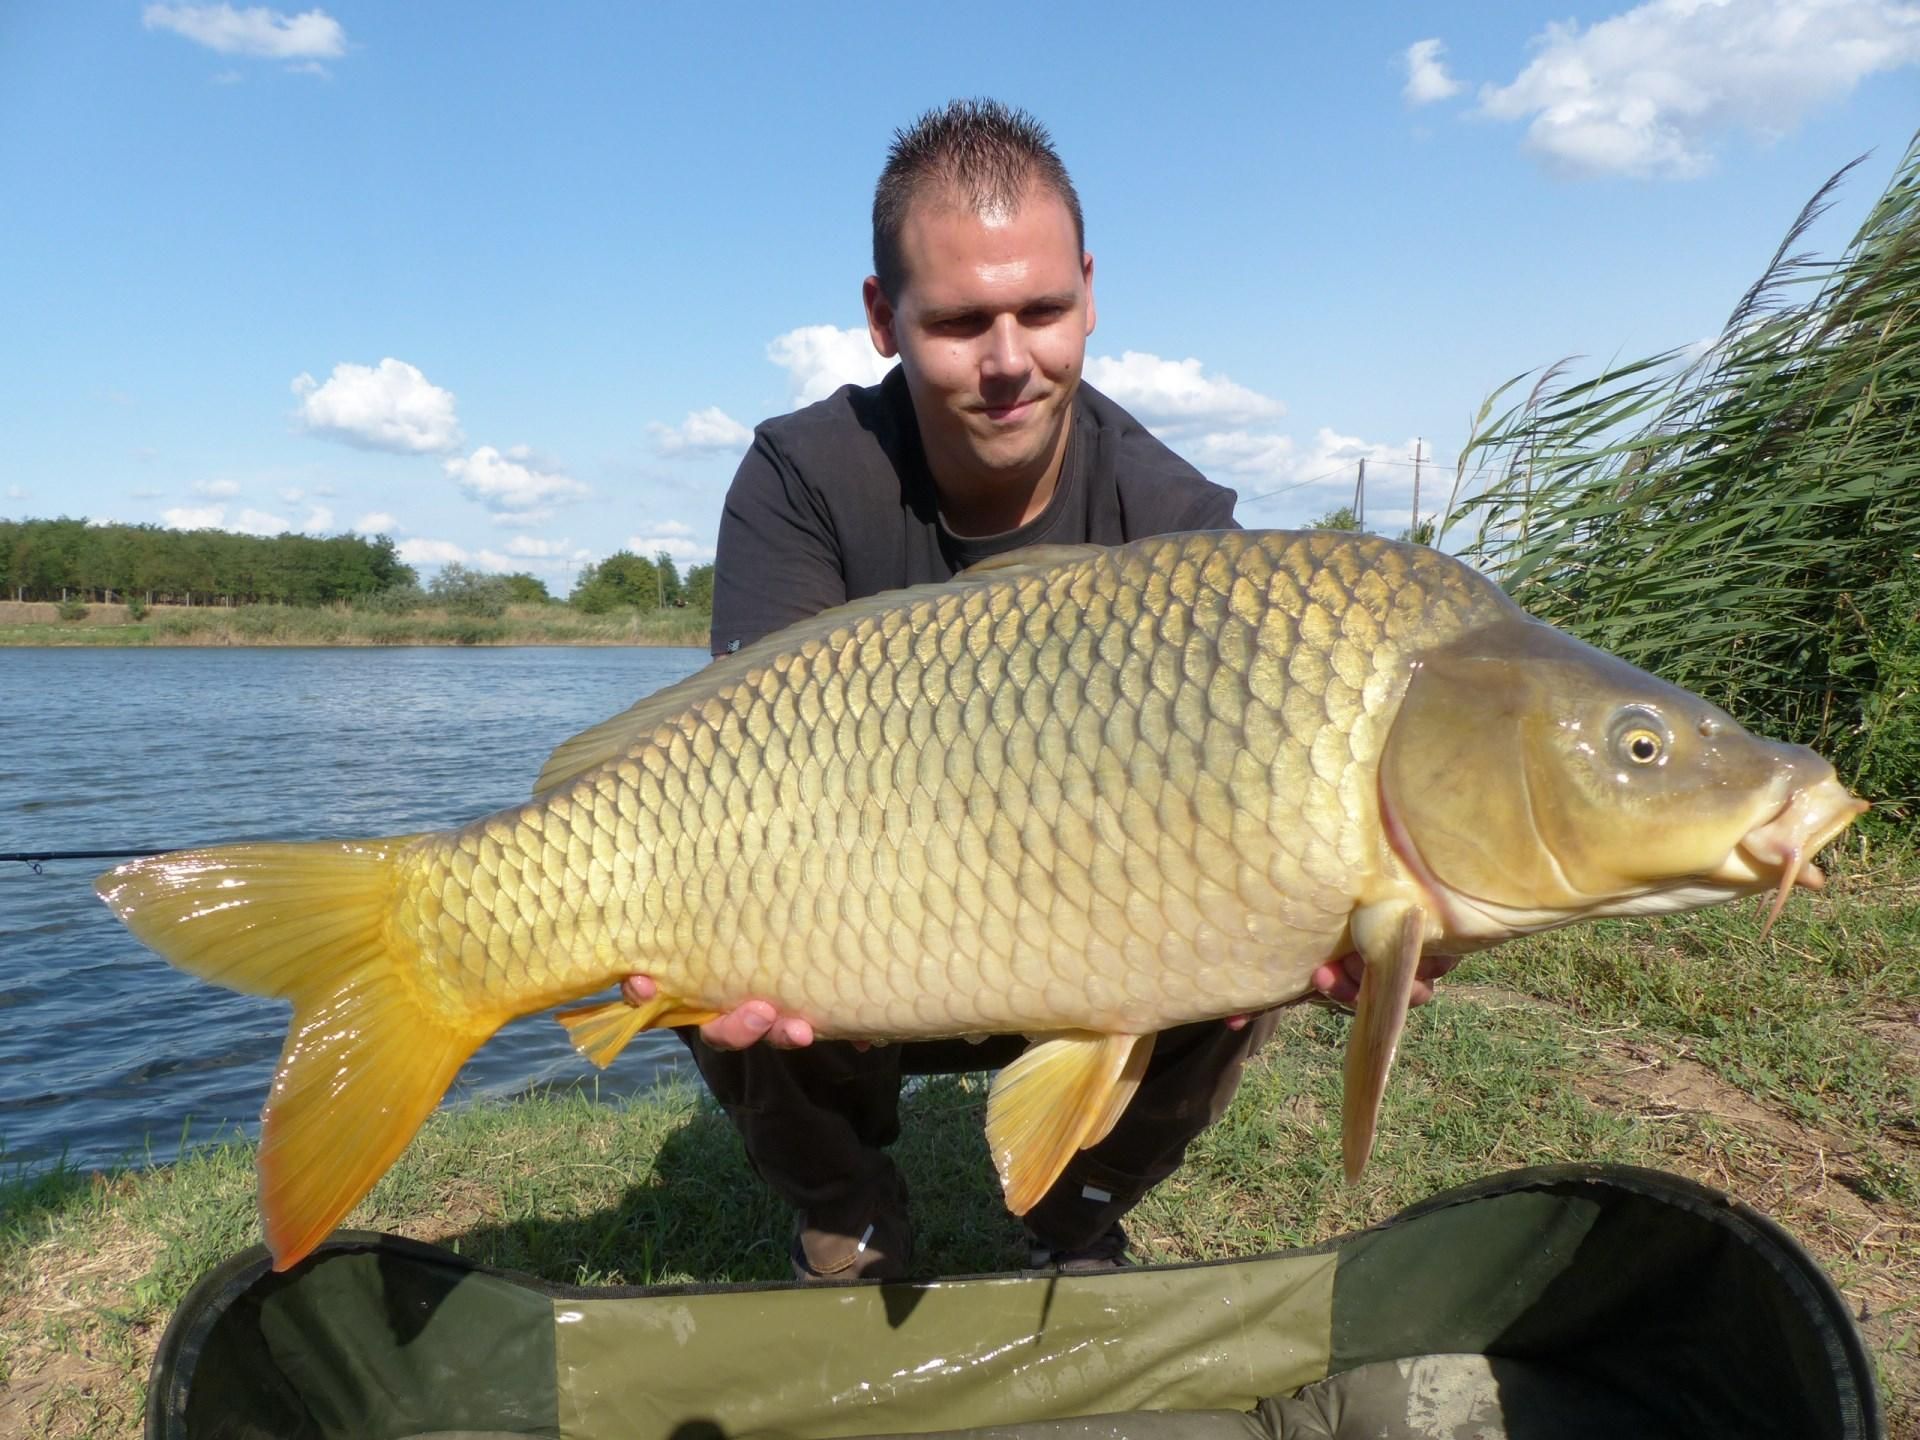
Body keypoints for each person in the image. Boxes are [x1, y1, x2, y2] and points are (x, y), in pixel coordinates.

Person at [624, 99, 1453, 1281]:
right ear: (881, 317)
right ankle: (848, 1215)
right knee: (693, 908)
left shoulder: (1177, 524)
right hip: (864, 922)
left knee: (1239, 967)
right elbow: (738, 757)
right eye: (962, 321)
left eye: (1043, 311)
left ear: (1090, 296)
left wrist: (1362, 922)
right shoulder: (804, 478)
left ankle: (1073, 1218)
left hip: (1098, 927)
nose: (1010, 360)